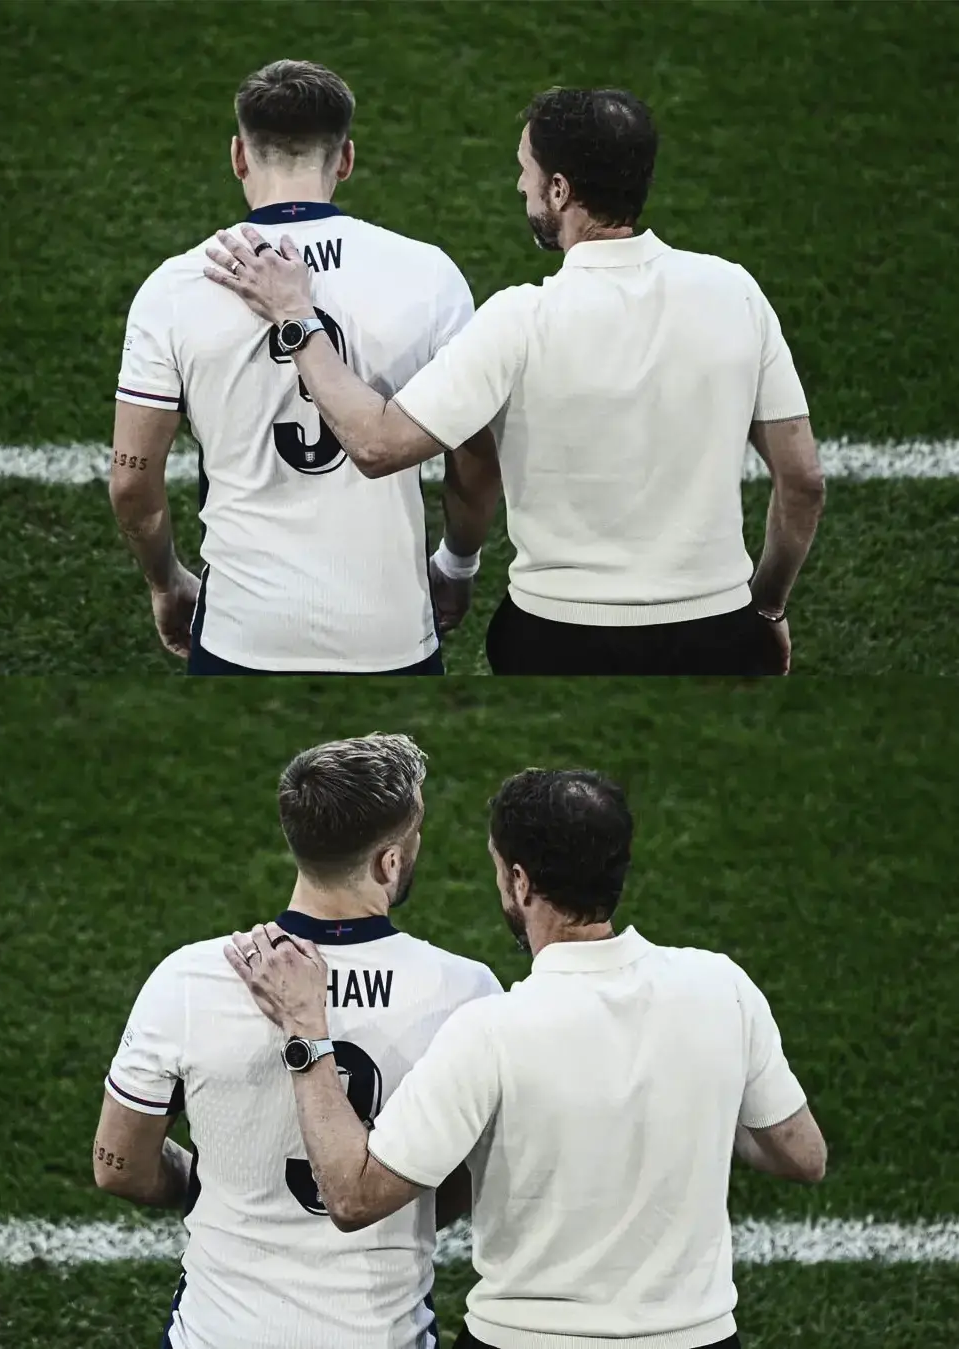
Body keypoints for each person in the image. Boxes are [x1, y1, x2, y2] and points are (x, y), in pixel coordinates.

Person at [205, 86, 826, 676]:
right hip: (718, 630)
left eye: (527, 170)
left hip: (558, 636)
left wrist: (296, 318)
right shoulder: (735, 291)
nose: (519, 184)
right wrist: (765, 606)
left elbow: (377, 444)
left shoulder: (519, 320)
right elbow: (801, 484)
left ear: (560, 191)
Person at [229, 767, 827, 1349]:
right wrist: (700, 1116)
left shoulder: (491, 1031)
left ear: (520, 882)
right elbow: (803, 1156)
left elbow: (354, 1197)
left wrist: (306, 1029)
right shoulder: (721, 985)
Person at [93, 733, 502, 1349]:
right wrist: (402, 1202)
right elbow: (476, 1173)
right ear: (390, 861)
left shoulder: (189, 977)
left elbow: (117, 1166)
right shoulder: (467, 991)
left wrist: (205, 1185)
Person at [110, 59, 499, 675]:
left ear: (239, 156)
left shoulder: (176, 288)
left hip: (242, 630)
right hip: (390, 632)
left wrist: (165, 582)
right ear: (344, 159)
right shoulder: (428, 276)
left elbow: (133, 484)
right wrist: (457, 564)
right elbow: (476, 460)